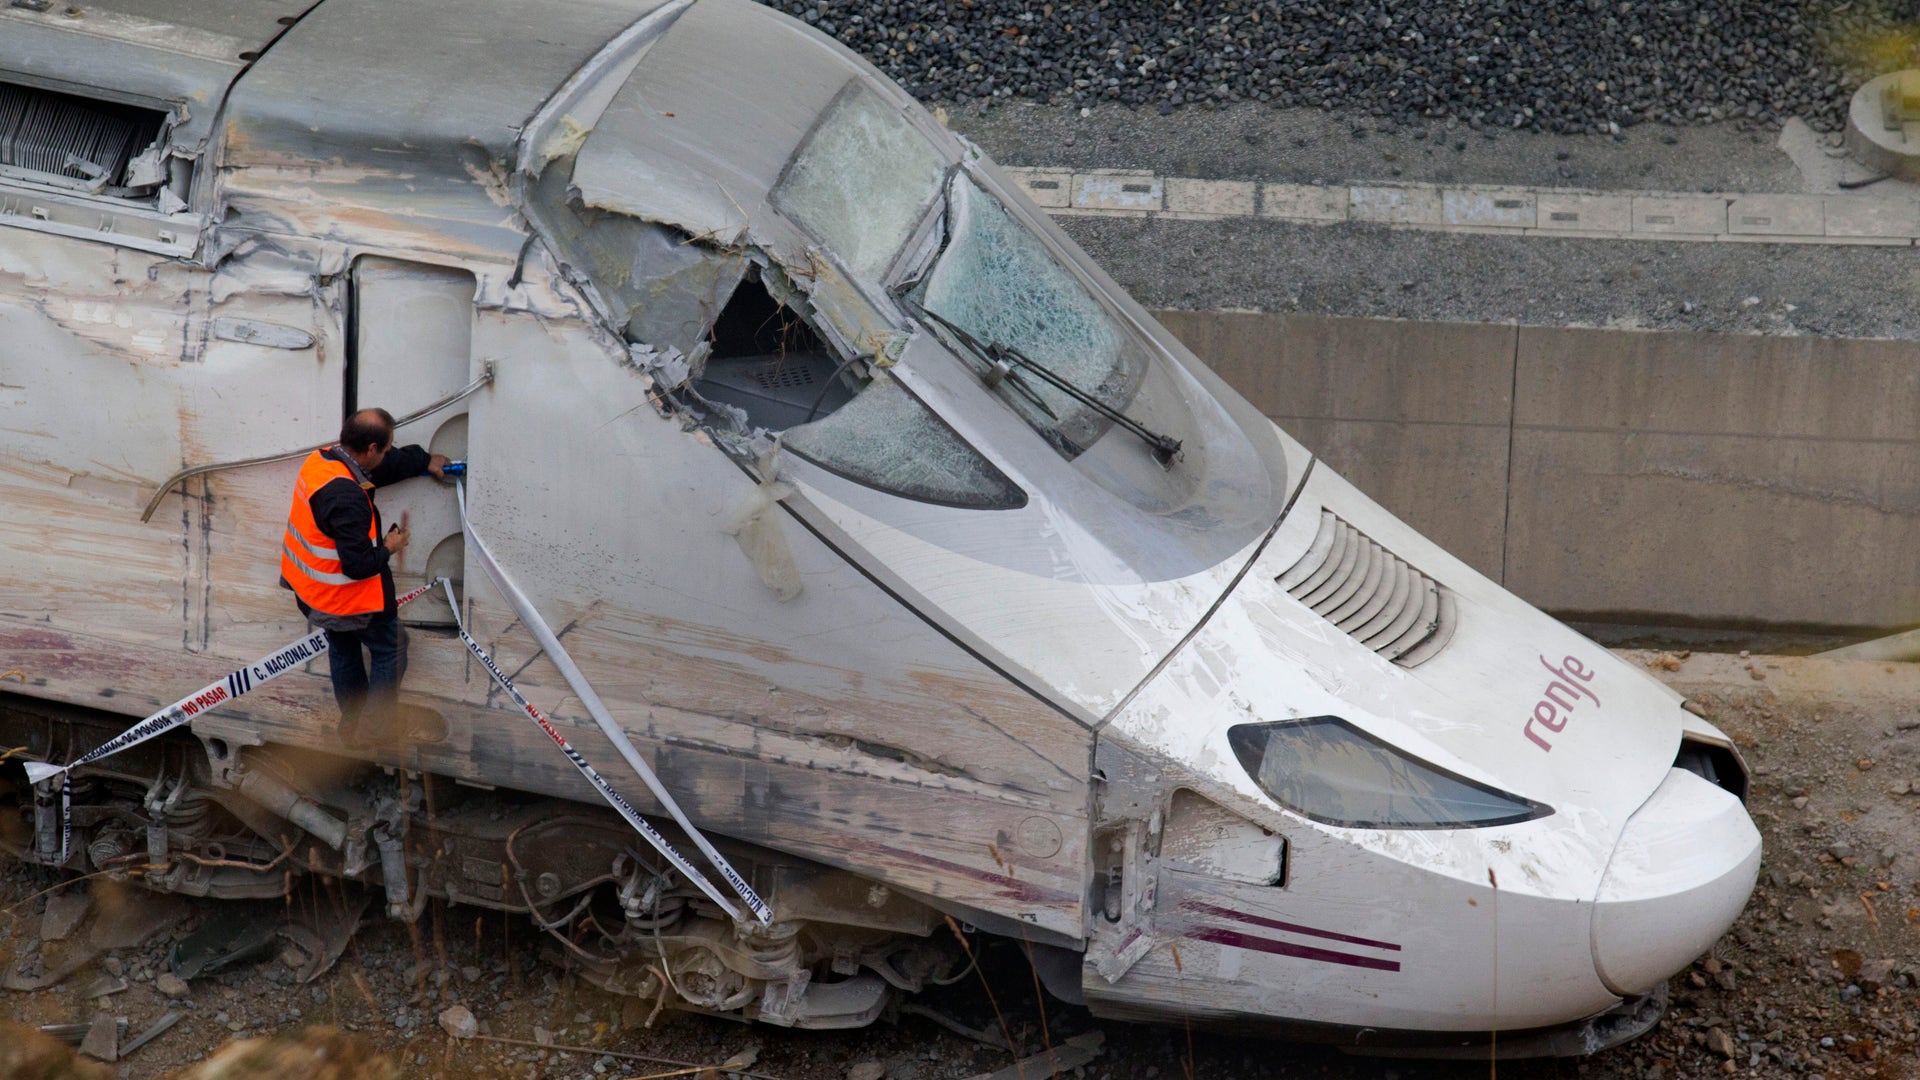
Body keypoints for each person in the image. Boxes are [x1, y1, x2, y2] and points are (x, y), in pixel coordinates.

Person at [280, 409, 448, 748]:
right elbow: (357, 565)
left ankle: (352, 725)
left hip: (313, 592)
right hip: (347, 599)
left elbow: (377, 470)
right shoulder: (348, 498)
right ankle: (373, 731)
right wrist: (390, 546)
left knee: (343, 648)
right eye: (385, 449)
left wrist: (422, 460)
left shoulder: (321, 462)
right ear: (371, 448)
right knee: (392, 648)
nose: (386, 455)